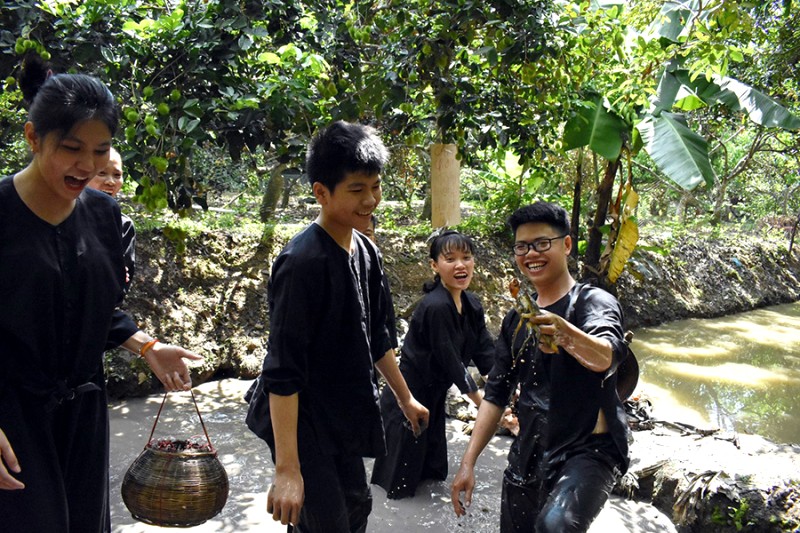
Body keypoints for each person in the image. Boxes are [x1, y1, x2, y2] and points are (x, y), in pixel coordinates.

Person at [0, 56, 202, 533]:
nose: (87, 166)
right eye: (72, 148)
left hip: (83, 412)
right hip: (12, 414)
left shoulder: (102, 215)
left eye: (101, 150)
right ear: (33, 137)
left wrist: (147, 346)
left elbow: (92, 306)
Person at [245, 120, 429, 532]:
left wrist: (405, 399)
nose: (371, 200)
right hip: (304, 422)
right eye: (357, 190)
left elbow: (378, 337)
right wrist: (287, 469)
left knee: (355, 511)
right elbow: (282, 372)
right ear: (321, 193)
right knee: (325, 522)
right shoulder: (302, 263)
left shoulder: (366, 250)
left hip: (345, 413)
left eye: (376, 187)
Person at [450, 201, 630, 533]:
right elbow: (496, 395)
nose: (531, 253)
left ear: (566, 244)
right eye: (522, 246)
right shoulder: (515, 318)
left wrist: (567, 334)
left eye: (542, 243)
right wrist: (467, 463)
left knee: (554, 527)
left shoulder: (593, 302)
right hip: (530, 450)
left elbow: (607, 355)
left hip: (587, 452)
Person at [371, 230, 495, 499]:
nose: (460, 265)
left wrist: (503, 387)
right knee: (399, 484)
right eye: (450, 259)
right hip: (409, 397)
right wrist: (482, 403)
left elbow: (485, 350)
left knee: (432, 472)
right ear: (434, 266)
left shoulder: (472, 304)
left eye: (466, 257)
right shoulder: (435, 306)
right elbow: (450, 359)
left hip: (436, 395)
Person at [87, 146, 135, 291]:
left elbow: (121, 284)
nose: (111, 182)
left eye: (117, 175)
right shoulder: (62, 216)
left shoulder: (124, 225)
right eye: (101, 173)